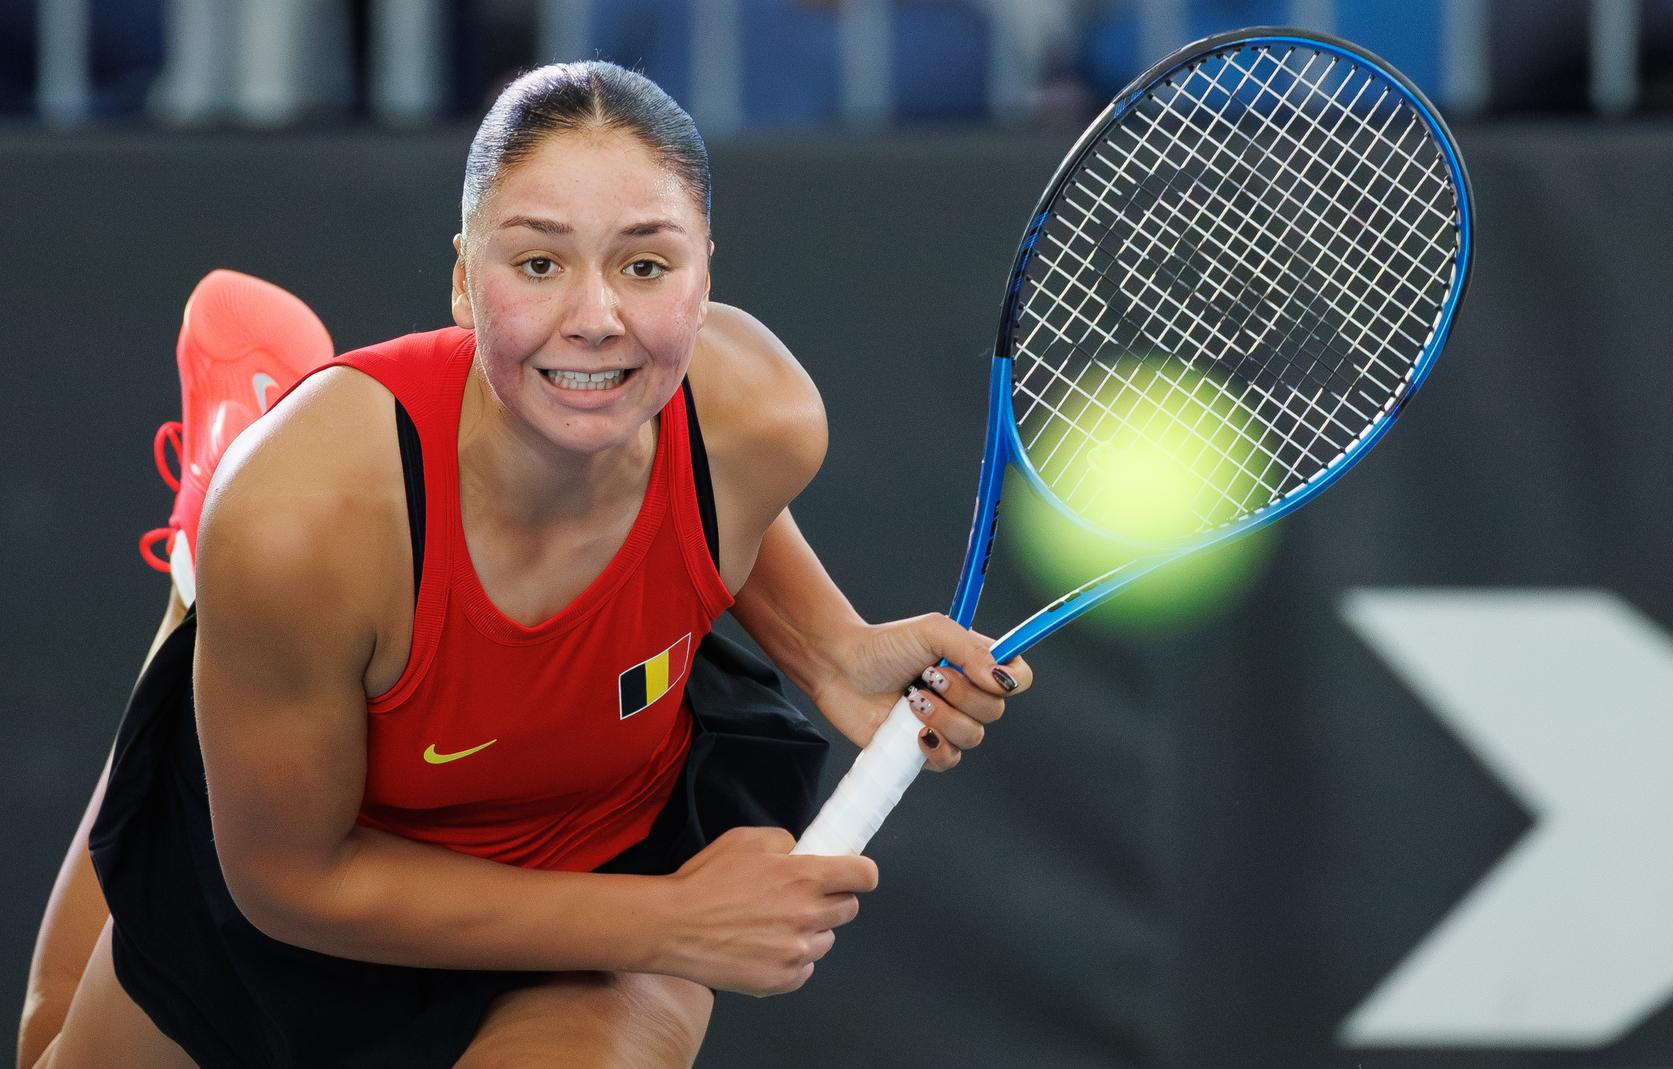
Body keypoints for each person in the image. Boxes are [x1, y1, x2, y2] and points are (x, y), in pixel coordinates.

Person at [21, 60, 1031, 1068]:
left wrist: (831, 650)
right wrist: (675, 922)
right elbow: (291, 879)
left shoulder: (762, 418)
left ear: (707, 274)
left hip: (604, 866)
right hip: (327, 880)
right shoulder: (304, 520)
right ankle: (206, 578)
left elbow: (708, 496)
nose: (595, 316)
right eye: (539, 264)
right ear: (463, 280)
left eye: (645, 266)